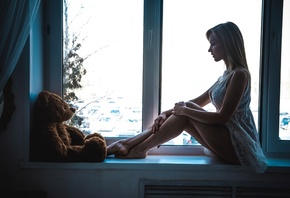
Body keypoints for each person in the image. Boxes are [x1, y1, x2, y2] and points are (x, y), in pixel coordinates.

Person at [107, 22, 268, 173]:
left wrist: (184, 111)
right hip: (225, 139)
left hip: (237, 145)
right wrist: (165, 113)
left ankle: (137, 148)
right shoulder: (226, 76)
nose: (209, 49)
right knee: (187, 109)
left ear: (228, 43)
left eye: (213, 44)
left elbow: (222, 118)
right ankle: (130, 144)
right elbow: (195, 103)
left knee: (186, 112)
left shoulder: (240, 74)